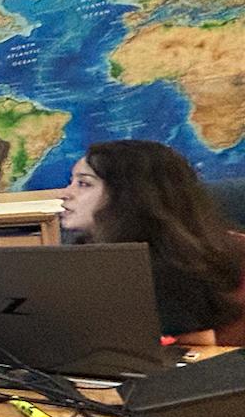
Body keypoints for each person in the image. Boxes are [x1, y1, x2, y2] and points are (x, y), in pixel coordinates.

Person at [60, 140, 245, 341]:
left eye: (84, 184)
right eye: (72, 182)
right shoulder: (84, 254)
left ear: (130, 195)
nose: (65, 194)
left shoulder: (172, 267)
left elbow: (198, 348)